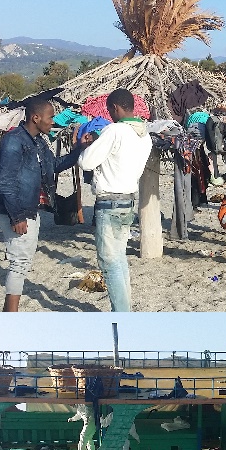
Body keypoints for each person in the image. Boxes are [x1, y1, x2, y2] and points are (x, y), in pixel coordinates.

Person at [0, 98, 82, 312]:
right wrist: (17, 217)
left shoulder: (39, 142)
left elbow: (54, 166)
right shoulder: (13, 141)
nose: (53, 122)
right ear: (36, 118)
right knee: (20, 261)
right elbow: (5, 182)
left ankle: (9, 312)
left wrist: (80, 149)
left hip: (30, 209)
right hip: (18, 210)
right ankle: (10, 314)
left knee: (23, 261)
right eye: (50, 117)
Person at [79, 88, 153, 312]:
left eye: (110, 110)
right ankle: (125, 308)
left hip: (109, 203)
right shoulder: (144, 134)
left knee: (109, 263)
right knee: (119, 259)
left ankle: (122, 313)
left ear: (115, 108)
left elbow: (86, 163)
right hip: (128, 201)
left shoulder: (114, 131)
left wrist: (85, 145)